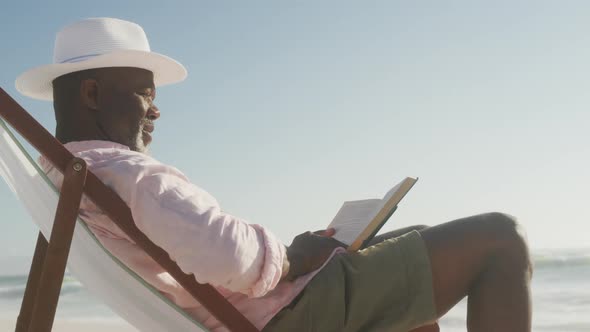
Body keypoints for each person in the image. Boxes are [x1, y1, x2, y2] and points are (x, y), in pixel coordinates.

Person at [16, 17, 532, 332]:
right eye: (146, 92)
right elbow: (230, 257)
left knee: (412, 241)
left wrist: (294, 258)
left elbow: (209, 253)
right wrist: (292, 257)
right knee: (501, 237)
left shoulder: (68, 175)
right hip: (280, 319)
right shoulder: (127, 173)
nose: (155, 111)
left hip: (262, 310)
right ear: (91, 94)